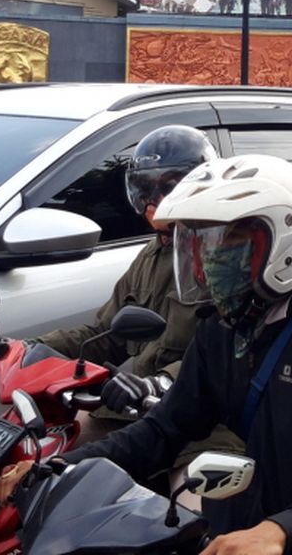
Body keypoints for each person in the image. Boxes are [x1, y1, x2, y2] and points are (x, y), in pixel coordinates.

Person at [1, 154, 292, 554]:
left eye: (226, 239)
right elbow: (163, 430)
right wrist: (61, 469)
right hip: (237, 531)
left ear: (284, 241)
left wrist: (280, 531)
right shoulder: (223, 329)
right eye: (198, 242)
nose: (208, 258)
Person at [31, 126, 243, 503]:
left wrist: (159, 382)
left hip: (206, 424)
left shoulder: (222, 253)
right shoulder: (151, 253)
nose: (154, 200)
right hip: (139, 415)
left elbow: (234, 349)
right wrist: (30, 349)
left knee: (193, 513)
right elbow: (106, 332)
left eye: (169, 187)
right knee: (44, 464)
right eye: (146, 189)